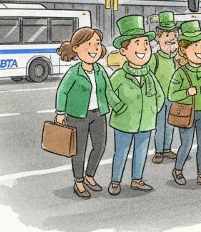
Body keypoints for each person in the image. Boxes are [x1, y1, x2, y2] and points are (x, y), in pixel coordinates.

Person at [106, 15, 164, 195]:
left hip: (146, 121)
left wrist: (154, 110)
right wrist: (119, 107)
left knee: (141, 151)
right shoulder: (119, 76)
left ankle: (137, 179)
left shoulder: (149, 75)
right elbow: (108, 93)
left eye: (146, 44)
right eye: (137, 44)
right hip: (124, 121)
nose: (143, 49)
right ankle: (115, 181)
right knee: (121, 152)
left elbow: (159, 95)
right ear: (124, 51)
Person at [53, 27, 111, 199]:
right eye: (89, 44)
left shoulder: (100, 70)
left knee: (99, 147)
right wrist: (60, 113)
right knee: (79, 150)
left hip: (98, 114)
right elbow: (62, 91)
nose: (94, 48)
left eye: (97, 44)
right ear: (76, 48)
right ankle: (78, 181)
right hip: (77, 116)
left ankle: (89, 175)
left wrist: (117, 105)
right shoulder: (74, 72)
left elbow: (109, 90)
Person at [168, 20, 201, 187]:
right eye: (196, 46)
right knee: (187, 143)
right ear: (184, 50)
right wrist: (186, 93)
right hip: (187, 113)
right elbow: (172, 94)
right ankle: (178, 170)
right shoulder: (181, 72)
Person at [149, 12, 179, 164]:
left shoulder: (176, 58)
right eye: (167, 35)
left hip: (173, 97)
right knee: (159, 125)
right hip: (158, 97)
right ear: (158, 38)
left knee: (170, 124)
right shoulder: (155, 58)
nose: (171, 38)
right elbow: (149, 77)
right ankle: (159, 151)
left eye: (174, 34)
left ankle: (167, 149)